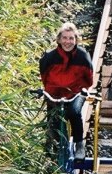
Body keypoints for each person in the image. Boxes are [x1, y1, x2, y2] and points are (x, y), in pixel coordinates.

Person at [39, 22, 95, 160]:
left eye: (71, 38)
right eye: (64, 38)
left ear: (76, 40)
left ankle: (79, 144)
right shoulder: (49, 57)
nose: (67, 42)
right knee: (55, 118)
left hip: (76, 92)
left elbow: (89, 78)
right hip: (55, 94)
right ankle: (54, 146)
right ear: (59, 39)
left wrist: (82, 90)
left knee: (74, 112)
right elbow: (44, 76)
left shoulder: (82, 56)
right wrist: (50, 92)